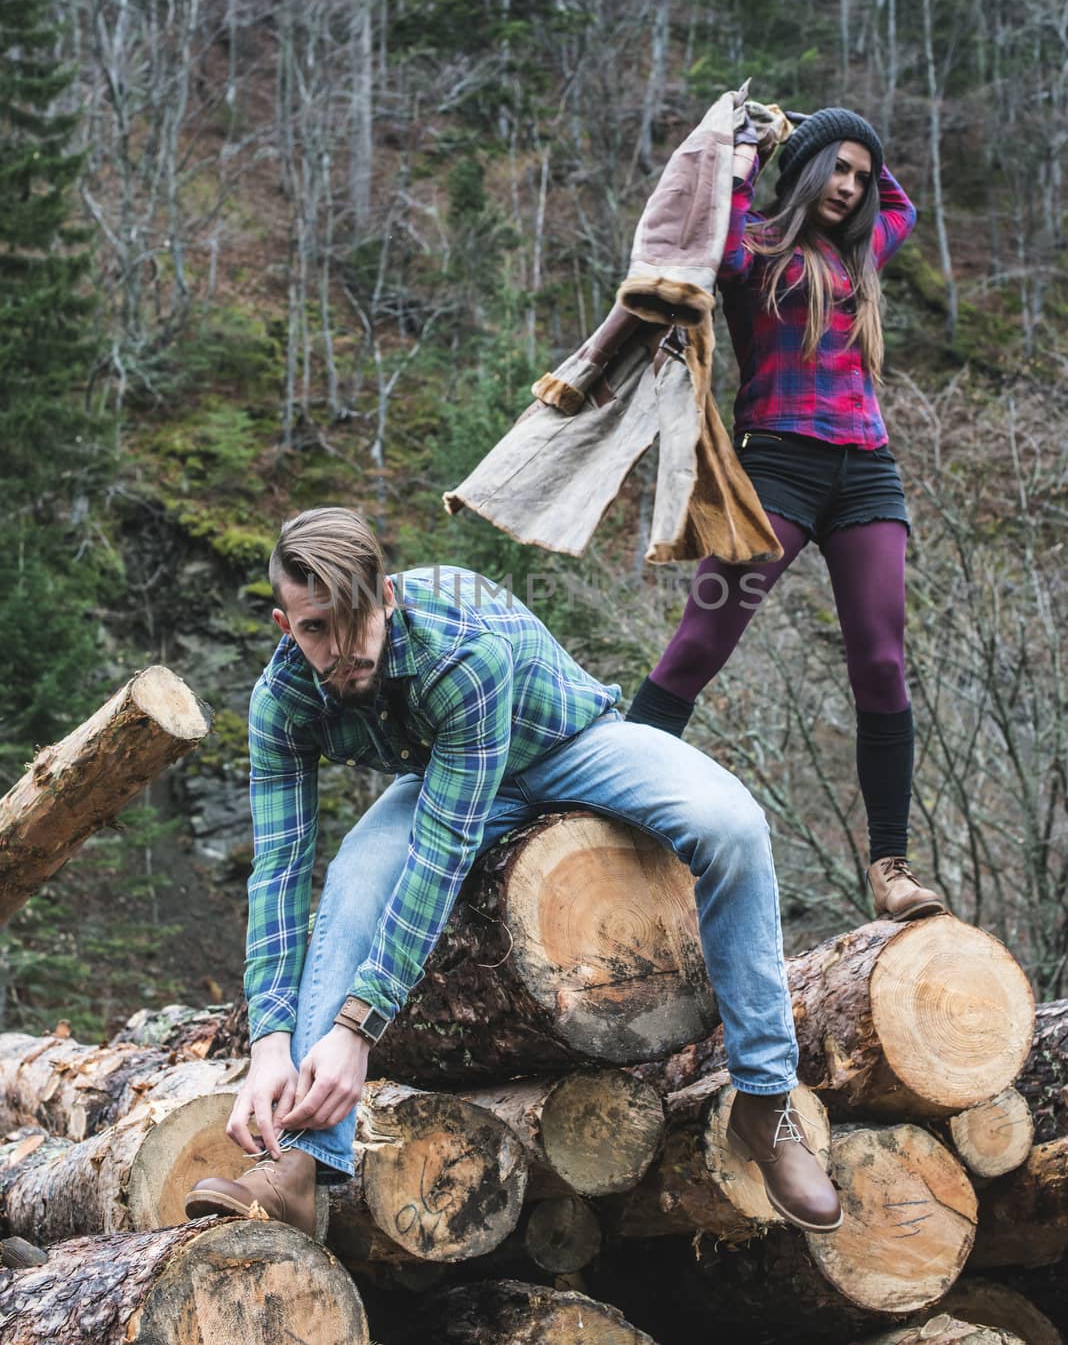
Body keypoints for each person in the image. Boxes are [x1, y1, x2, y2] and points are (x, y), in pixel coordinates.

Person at [185, 506, 841, 1237]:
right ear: (285, 626)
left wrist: (356, 1027)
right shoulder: (282, 699)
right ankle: (299, 1167)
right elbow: (278, 872)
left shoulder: (462, 651)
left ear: (387, 597)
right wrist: (272, 1039)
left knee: (732, 824)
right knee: (352, 883)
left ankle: (765, 1099)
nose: (339, 648)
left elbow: (441, 852)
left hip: (570, 745)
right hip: (447, 776)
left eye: (353, 619)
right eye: (314, 630)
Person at [627, 107, 944, 925]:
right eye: (835, 169)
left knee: (881, 663)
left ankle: (890, 866)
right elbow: (718, 241)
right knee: (700, 644)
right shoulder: (756, 245)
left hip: (866, 473)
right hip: (776, 470)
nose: (850, 187)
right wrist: (752, 150)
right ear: (803, 172)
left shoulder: (862, 252)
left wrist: (836, 131)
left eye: (860, 176)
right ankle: (611, 804)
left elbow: (902, 206)